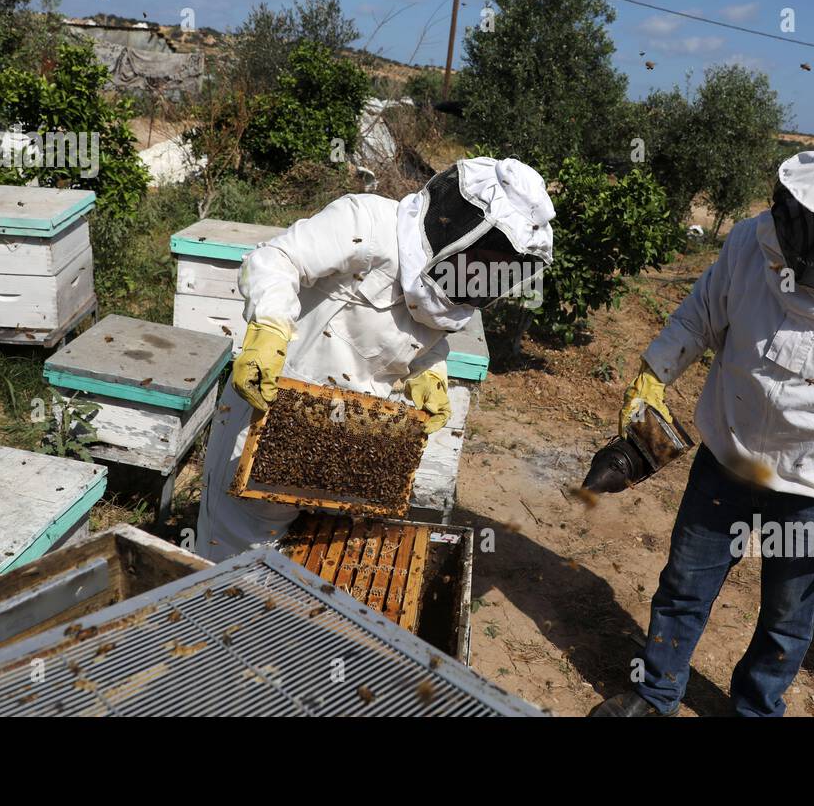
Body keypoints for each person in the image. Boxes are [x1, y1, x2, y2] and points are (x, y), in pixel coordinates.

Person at [591, 121, 814, 717]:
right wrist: (655, 373)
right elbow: (699, 316)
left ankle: (756, 712)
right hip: (727, 458)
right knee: (684, 587)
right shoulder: (751, 243)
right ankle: (654, 695)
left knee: (787, 621)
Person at [197, 157, 555, 560]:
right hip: (271, 413)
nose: (485, 271)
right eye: (488, 255)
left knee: (316, 560)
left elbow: (426, 335)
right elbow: (276, 259)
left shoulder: (452, 290)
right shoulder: (367, 222)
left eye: (500, 265)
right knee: (232, 560)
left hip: (351, 440)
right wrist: (270, 327)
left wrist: (430, 370)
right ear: (459, 223)